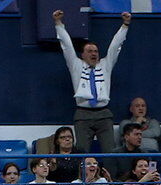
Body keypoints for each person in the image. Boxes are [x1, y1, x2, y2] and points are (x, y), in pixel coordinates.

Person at [52, 9, 131, 153]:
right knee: (82, 152)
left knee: (110, 152)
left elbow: (115, 46)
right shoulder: (76, 65)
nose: (94, 53)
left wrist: (125, 25)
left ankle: (109, 169)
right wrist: (58, 23)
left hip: (104, 114)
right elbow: (67, 46)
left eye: (95, 51)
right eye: (89, 51)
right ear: (82, 55)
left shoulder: (106, 65)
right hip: (83, 114)